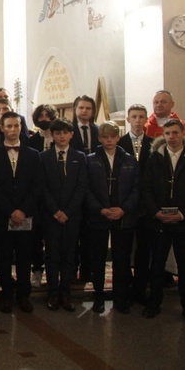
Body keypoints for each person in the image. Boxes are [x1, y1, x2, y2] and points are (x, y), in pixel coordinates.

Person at [141, 119, 185, 325]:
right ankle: (154, 304)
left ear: (183, 134)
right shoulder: (154, 159)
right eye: (167, 134)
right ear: (163, 136)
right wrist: (156, 212)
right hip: (159, 221)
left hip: (184, 222)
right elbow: (146, 189)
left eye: (175, 133)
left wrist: (183, 214)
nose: (171, 137)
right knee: (157, 265)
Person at [85, 121, 140, 314]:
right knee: (98, 258)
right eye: (104, 137)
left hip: (122, 216)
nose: (108, 141)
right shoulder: (90, 160)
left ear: (118, 137)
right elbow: (86, 189)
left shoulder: (130, 160)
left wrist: (123, 209)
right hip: (99, 215)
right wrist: (100, 209)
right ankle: (98, 296)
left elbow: (136, 189)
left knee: (121, 259)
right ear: (99, 138)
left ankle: (120, 297)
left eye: (112, 137)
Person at [0, 112, 40, 313]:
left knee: (25, 256)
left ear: (21, 127)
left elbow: (37, 186)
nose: (12, 129)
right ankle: (6, 294)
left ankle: (24, 295)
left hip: (26, 214)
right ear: (1, 128)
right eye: (8, 126)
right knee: (5, 257)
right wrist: (11, 210)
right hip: (3, 215)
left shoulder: (33, 154)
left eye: (16, 126)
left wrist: (23, 210)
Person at [40, 118, 87, 312]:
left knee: (69, 255)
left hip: (71, 215)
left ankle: (65, 292)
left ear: (71, 135)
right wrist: (55, 211)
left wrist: (67, 211)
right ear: (52, 135)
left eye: (65, 133)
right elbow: (42, 188)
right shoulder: (44, 157)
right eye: (57, 133)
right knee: (52, 254)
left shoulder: (80, 157)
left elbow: (81, 187)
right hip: (51, 215)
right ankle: (52, 291)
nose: (61, 136)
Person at [118, 104, 155, 304]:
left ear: (146, 119)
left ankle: (140, 289)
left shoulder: (154, 143)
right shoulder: (120, 143)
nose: (138, 120)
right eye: (134, 117)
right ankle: (124, 290)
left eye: (141, 117)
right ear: (128, 119)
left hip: (146, 207)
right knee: (123, 249)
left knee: (144, 249)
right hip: (125, 205)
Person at [70, 94, 100, 285]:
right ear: (75, 109)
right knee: (73, 236)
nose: (84, 111)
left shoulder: (99, 131)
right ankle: (72, 272)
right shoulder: (68, 131)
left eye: (88, 108)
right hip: (73, 188)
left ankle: (87, 272)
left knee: (91, 237)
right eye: (81, 108)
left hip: (95, 188)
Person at [26, 103, 57, 287]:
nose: (44, 119)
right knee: (36, 237)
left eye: (48, 115)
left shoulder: (59, 139)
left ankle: (55, 273)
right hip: (37, 197)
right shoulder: (31, 141)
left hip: (55, 193)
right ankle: (37, 270)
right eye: (41, 116)